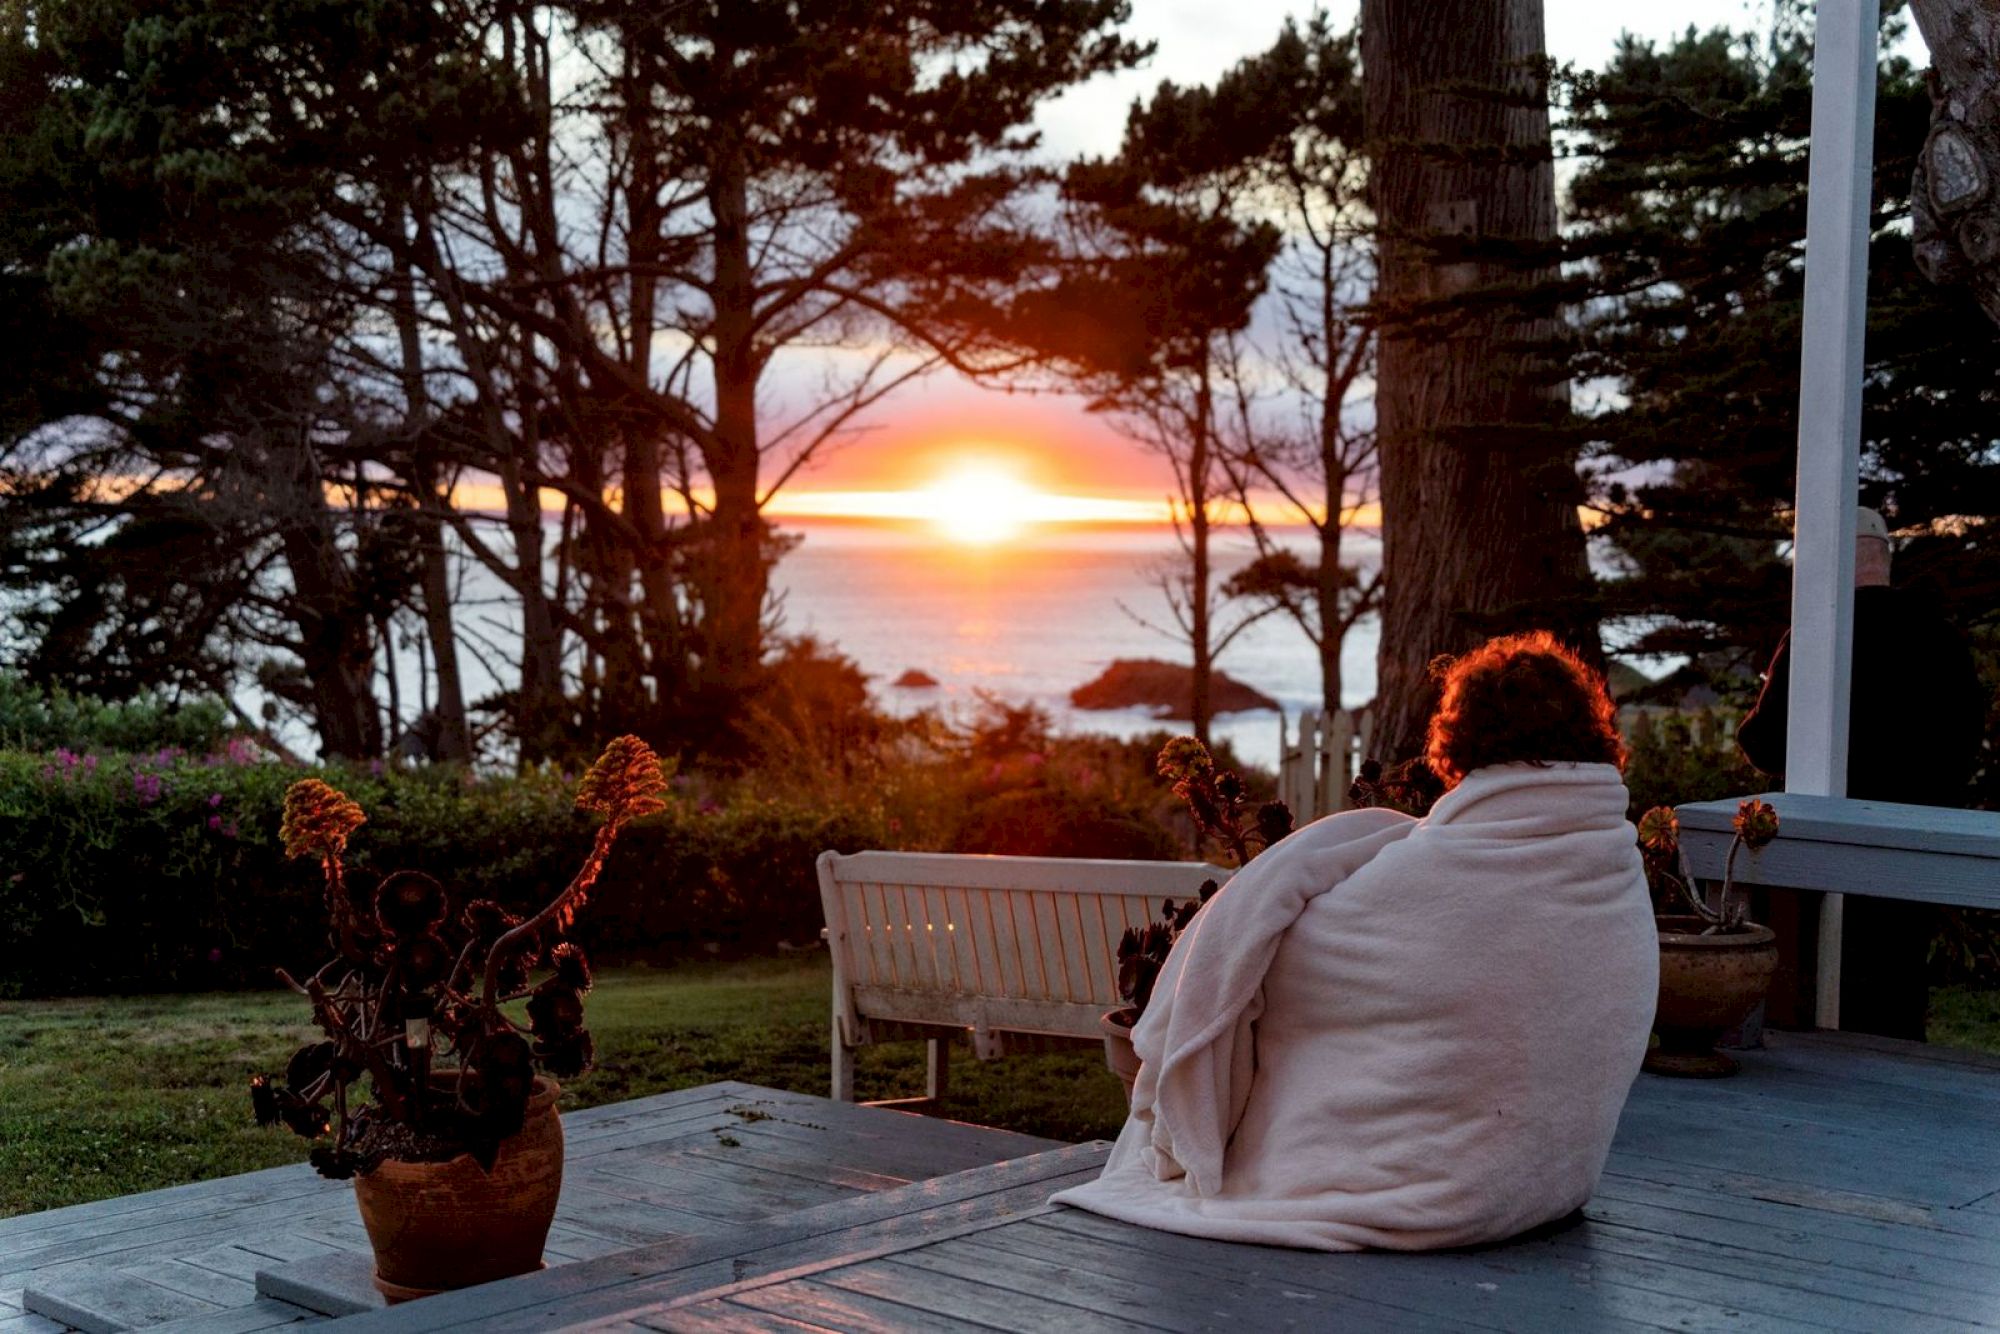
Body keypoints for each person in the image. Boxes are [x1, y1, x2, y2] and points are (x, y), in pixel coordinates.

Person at [1050, 632, 1658, 1251]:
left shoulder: (1436, 872)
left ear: (1463, 739)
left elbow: (1302, 967)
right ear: (1591, 731)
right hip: (1544, 1185)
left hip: (1433, 1195)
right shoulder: (1612, 863)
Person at [1735, 506, 1987, 1040]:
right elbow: (1965, 746)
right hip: (1918, 848)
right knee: (1897, 995)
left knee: (1817, 999)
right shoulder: (1944, 641)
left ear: (1829, 559)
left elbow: (1761, 742)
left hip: (1823, 855)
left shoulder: (1816, 636)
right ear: (1884, 559)